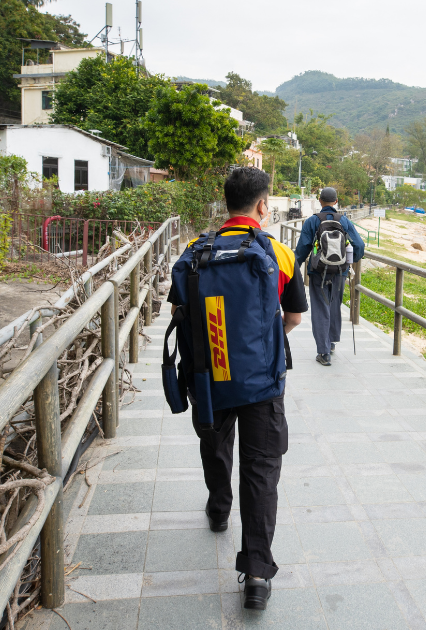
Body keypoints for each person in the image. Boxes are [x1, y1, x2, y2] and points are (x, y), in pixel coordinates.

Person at [167, 167, 307, 610]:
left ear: (225, 202)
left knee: (215, 445)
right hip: (262, 383)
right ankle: (258, 575)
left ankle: (219, 507)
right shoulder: (278, 253)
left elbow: (180, 314)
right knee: (261, 471)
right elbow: (295, 318)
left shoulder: (192, 252)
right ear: (263, 205)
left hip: (210, 379)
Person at [293, 187, 365, 366]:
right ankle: (331, 343)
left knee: (320, 308)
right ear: (336, 201)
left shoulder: (312, 221)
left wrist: (293, 269)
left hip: (318, 271)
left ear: (319, 200)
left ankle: (323, 352)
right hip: (340, 272)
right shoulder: (345, 221)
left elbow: (302, 249)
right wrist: (349, 262)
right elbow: (360, 246)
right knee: (334, 305)